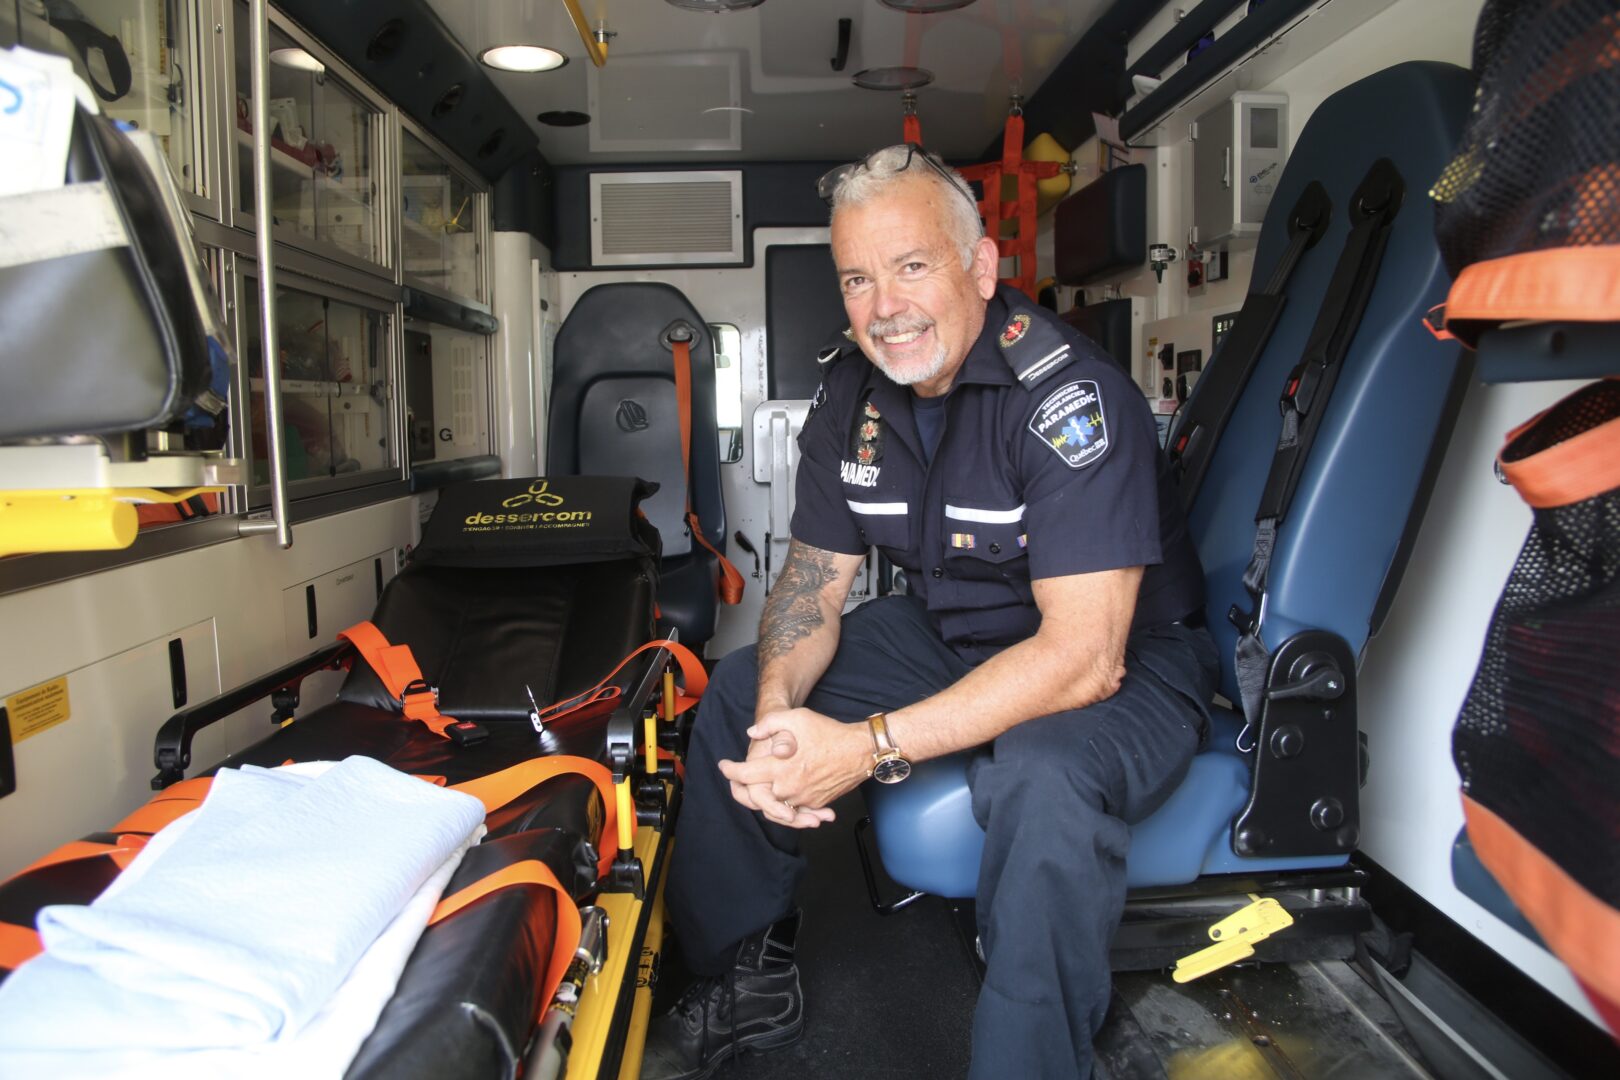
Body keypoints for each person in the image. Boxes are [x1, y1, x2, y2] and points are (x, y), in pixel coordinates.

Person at [641, 144, 1216, 1080]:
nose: (885, 308)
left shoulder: (1069, 399)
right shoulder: (851, 395)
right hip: (953, 636)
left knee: (1043, 771)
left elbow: (1081, 658)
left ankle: (1033, 1061)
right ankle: (744, 969)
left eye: (913, 267)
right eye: (858, 279)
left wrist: (864, 747)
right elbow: (813, 583)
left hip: (1124, 659)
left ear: (981, 268)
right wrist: (786, 708)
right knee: (741, 689)